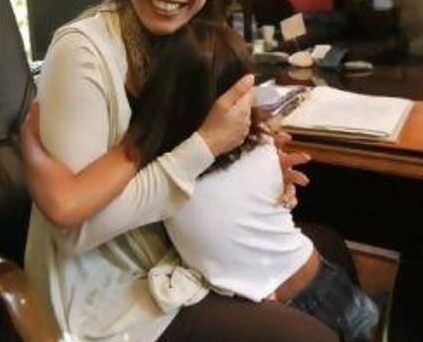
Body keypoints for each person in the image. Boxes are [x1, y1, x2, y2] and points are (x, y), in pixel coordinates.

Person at [23, 0, 351, 342]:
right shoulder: (84, 52)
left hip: (178, 260)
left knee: (329, 247)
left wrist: (251, 160)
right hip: (112, 296)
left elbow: (198, 150)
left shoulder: (186, 41)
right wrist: (206, 145)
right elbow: (75, 234)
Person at [25, 19, 379, 341]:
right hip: (321, 279)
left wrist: (27, 142)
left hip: (289, 291)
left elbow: (71, 197)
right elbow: (72, 211)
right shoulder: (260, 142)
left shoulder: (176, 174)